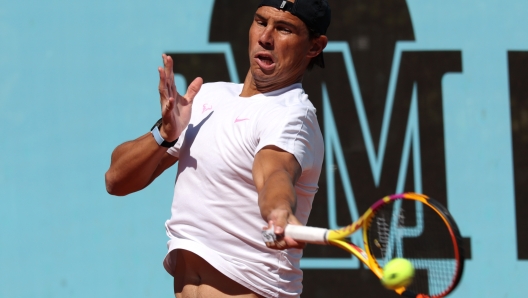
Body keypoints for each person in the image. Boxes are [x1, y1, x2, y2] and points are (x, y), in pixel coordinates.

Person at [105, 0, 330, 297]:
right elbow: (116, 180)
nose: (266, 37)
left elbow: (275, 172)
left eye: (284, 29)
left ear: (314, 46)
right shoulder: (208, 97)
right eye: (261, 22)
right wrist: (165, 133)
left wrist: (278, 213)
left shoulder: (292, 115)